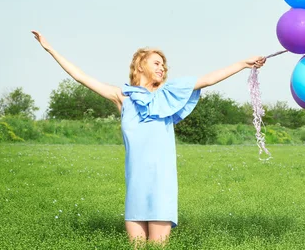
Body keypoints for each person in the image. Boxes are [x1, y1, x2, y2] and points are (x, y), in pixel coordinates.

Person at [31, 30, 266, 245]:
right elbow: (81, 77)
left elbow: (208, 79)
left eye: (163, 65)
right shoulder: (123, 97)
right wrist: (50, 49)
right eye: (156, 63)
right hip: (136, 182)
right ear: (140, 65)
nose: (162, 67)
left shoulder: (169, 94)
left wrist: (242, 63)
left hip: (162, 182)